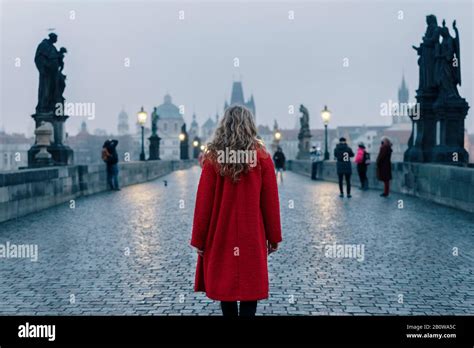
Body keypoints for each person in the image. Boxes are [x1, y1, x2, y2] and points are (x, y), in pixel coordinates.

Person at [190, 105, 282, 317]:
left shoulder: (213, 158)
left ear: (225, 125)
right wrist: (273, 237)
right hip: (252, 233)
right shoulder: (262, 157)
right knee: (251, 290)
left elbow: (203, 203)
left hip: (220, 233)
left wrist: (199, 240)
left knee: (226, 288)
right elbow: (270, 203)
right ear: (250, 125)